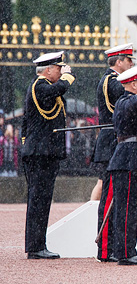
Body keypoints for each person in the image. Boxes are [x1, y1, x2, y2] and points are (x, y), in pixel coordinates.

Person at [21, 51, 75, 259]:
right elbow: (57, 90)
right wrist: (69, 78)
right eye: (59, 68)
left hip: (45, 152)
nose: (61, 72)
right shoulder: (40, 86)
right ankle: (35, 247)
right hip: (39, 154)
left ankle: (38, 244)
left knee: (43, 200)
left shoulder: (45, 88)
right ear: (49, 70)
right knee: (38, 200)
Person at [93, 43, 134, 262]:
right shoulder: (113, 82)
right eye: (129, 61)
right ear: (119, 62)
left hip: (116, 144)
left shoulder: (116, 81)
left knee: (116, 198)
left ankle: (112, 247)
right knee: (109, 198)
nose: (131, 65)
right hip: (112, 144)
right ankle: (106, 249)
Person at [110, 65, 137, 265]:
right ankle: (126, 253)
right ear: (134, 84)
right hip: (129, 158)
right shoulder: (125, 101)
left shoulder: (132, 103)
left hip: (134, 158)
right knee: (127, 209)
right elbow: (135, 104)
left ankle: (127, 250)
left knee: (130, 208)